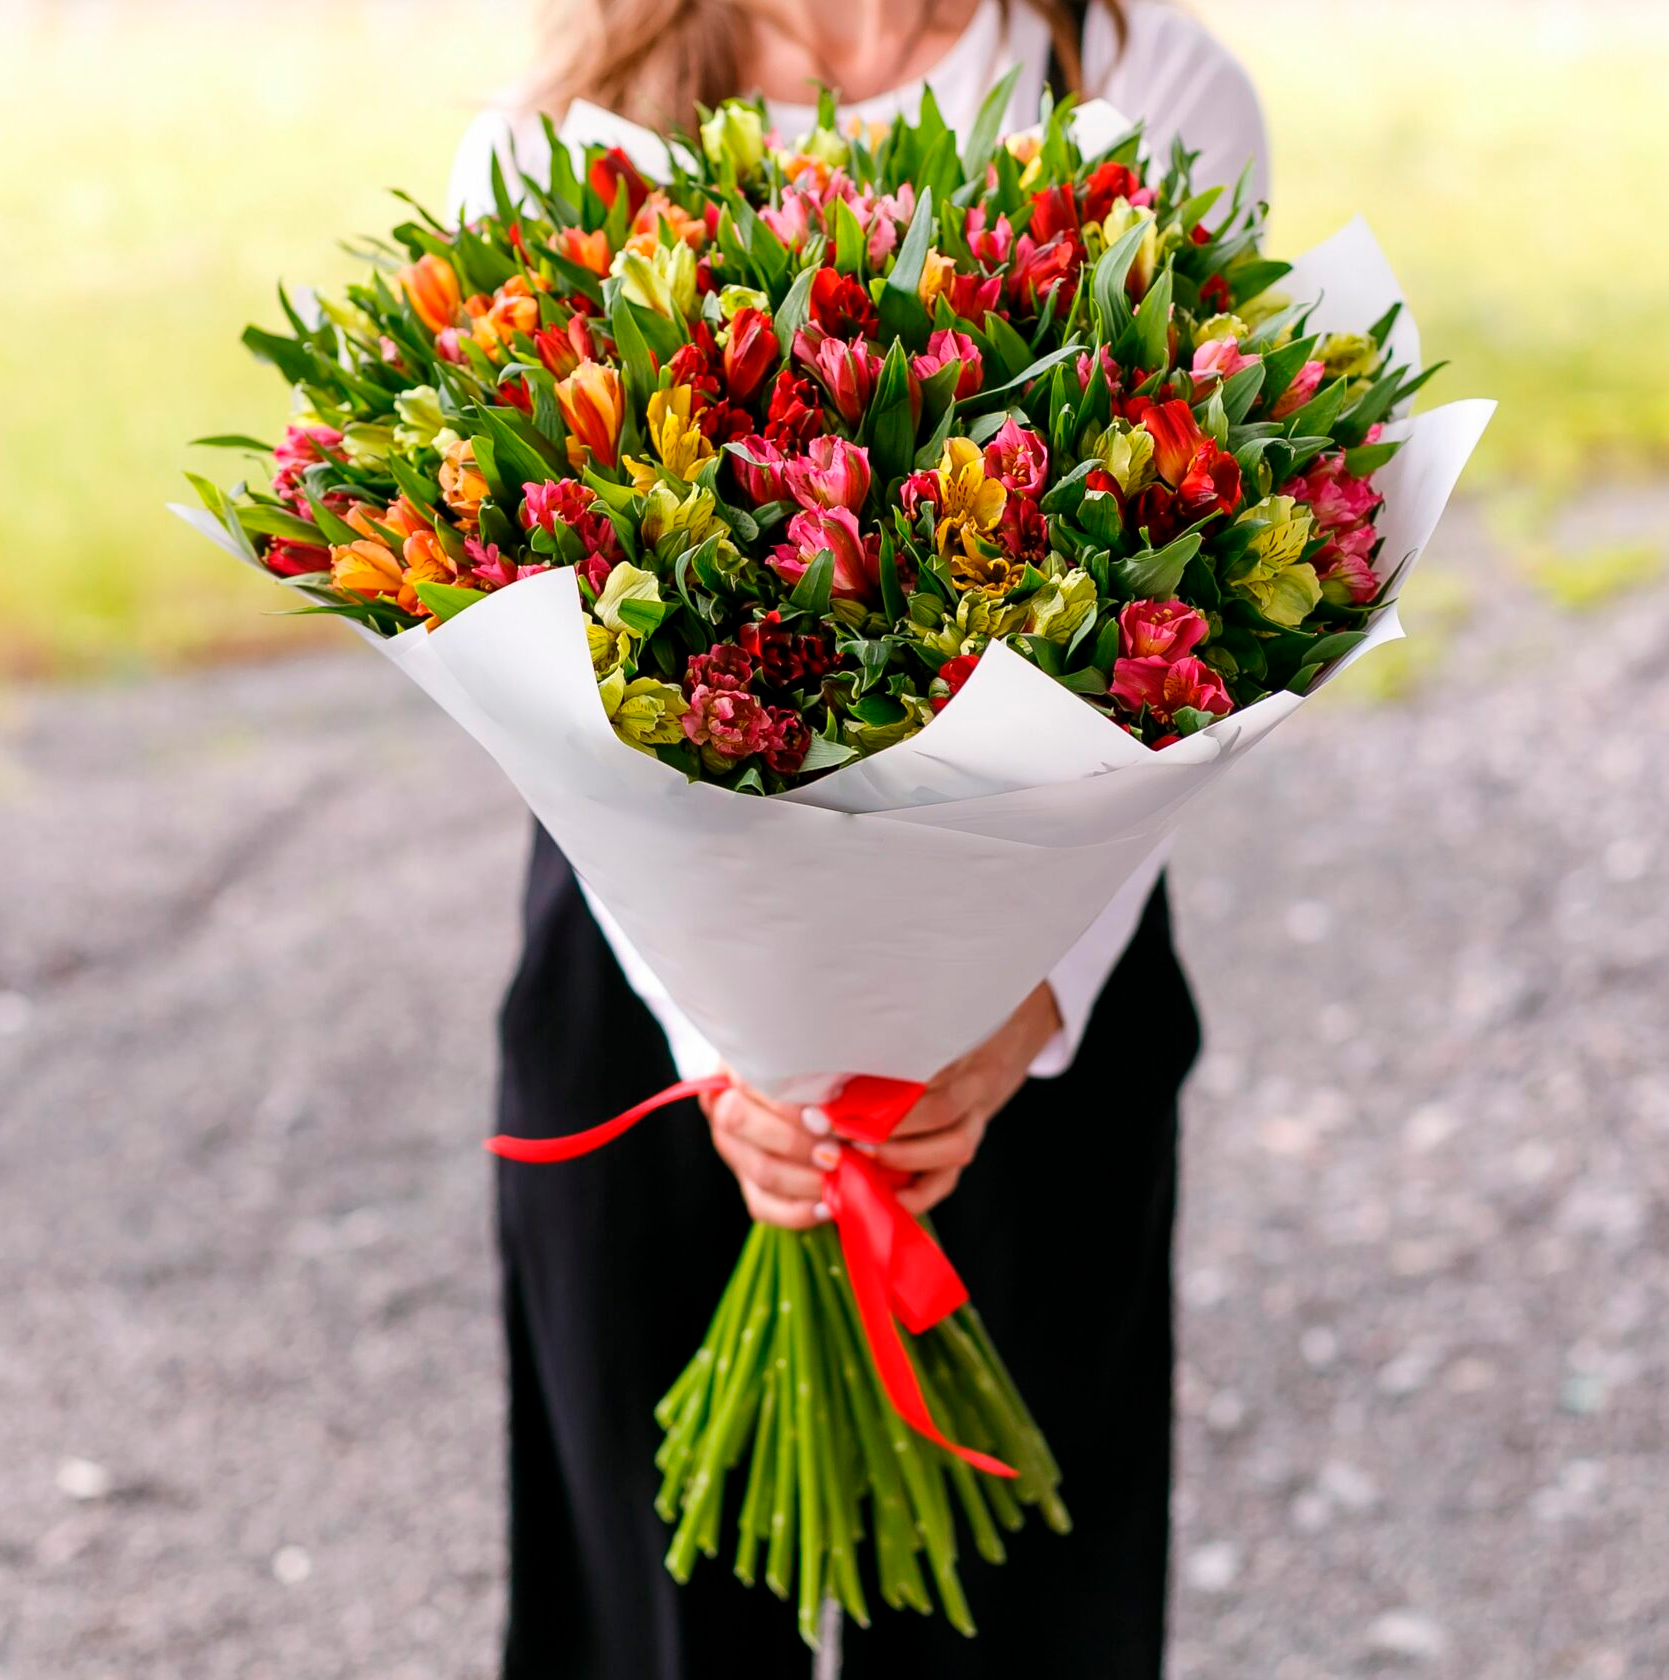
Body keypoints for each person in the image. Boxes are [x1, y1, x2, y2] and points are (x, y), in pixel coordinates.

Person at [448, 3, 1267, 1674]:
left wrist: (1027, 1000)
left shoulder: (1137, 90)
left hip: (1036, 979)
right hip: (644, 988)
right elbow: (522, 668)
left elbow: (1222, 602)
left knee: (1023, 1609)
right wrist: (733, 1039)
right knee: (656, 1615)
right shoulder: (554, 144)